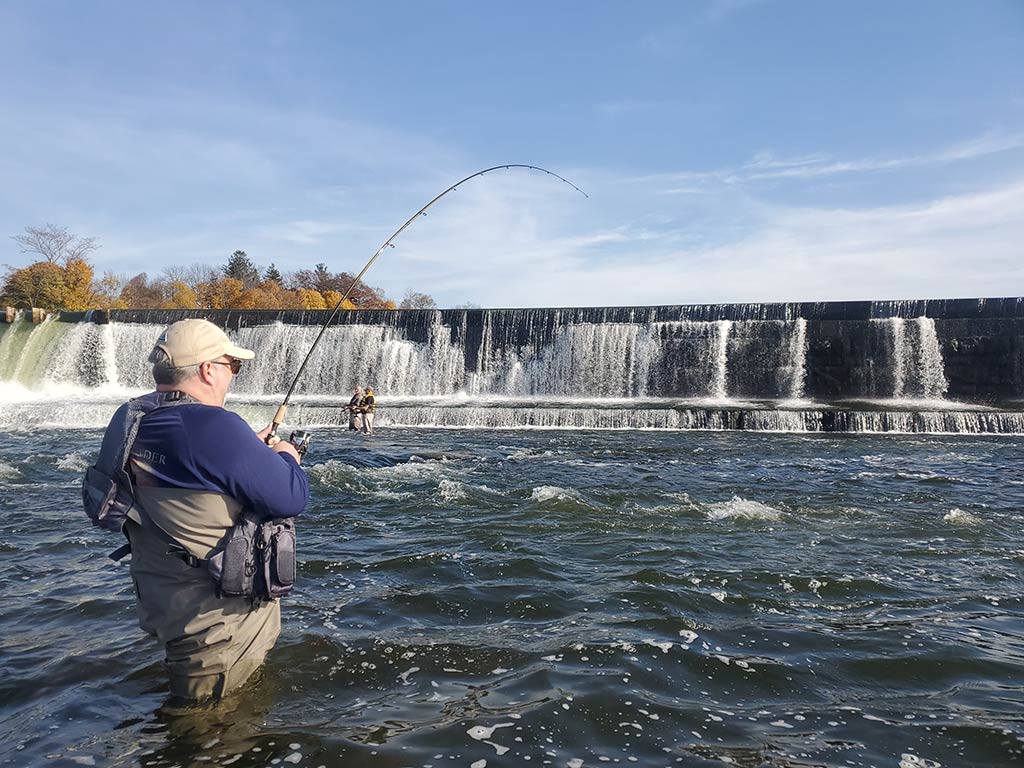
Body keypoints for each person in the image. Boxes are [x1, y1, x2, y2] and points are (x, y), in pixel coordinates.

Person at [97, 319, 309, 702]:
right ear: (208, 369)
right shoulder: (214, 427)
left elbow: (191, 465)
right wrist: (286, 456)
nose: (233, 376)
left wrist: (246, 450)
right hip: (217, 619)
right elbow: (290, 496)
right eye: (233, 366)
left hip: (166, 600)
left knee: (190, 695)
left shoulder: (130, 418)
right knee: (209, 733)